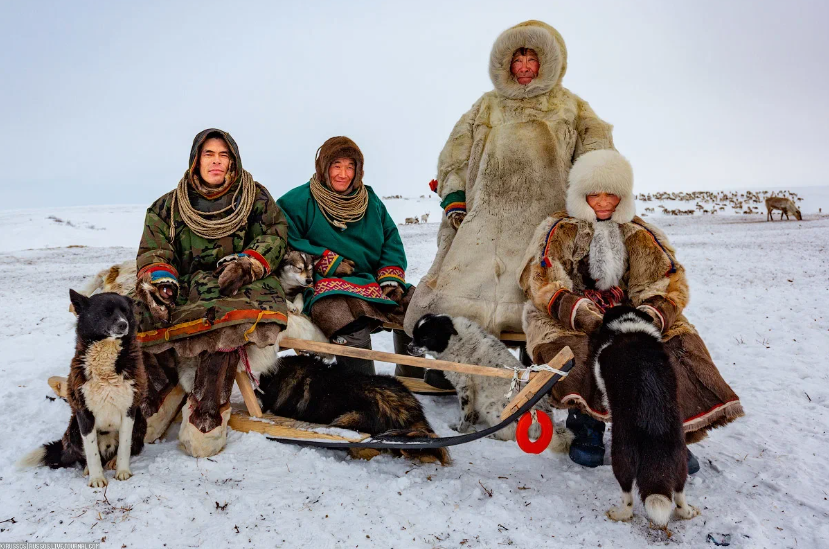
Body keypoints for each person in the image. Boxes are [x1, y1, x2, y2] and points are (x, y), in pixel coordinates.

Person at [519, 149, 744, 469]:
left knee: (677, 345)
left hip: (628, 310)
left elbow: (666, 279)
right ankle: (586, 427)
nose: (602, 202)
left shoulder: (637, 232)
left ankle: (665, 432)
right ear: (581, 195)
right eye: (594, 194)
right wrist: (582, 312)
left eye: (611, 194)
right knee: (582, 350)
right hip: (570, 314)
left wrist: (649, 314)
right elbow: (542, 277)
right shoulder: (559, 228)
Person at [404, 20, 616, 353]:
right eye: (518, 59)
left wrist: (594, 196)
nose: (525, 67)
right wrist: (455, 195)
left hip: (546, 220)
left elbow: (597, 154)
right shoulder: (487, 105)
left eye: (532, 59)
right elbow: (455, 153)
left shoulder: (572, 107)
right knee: (457, 294)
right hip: (487, 219)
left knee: (542, 296)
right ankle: (452, 360)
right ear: (506, 64)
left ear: (547, 62)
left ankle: (539, 358)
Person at [134, 128, 289, 457]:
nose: (216, 162)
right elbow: (155, 249)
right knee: (145, 312)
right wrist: (162, 280)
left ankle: (208, 413)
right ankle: (155, 399)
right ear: (196, 159)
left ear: (232, 161)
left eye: (223, 155)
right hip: (188, 282)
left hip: (238, 281)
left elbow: (275, 233)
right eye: (209, 155)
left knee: (227, 319)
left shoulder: (255, 196)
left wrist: (249, 264)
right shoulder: (168, 206)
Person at [277, 136, 414, 375]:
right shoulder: (299, 201)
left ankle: (413, 372)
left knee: (417, 304)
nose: (343, 173)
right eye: (336, 165)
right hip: (326, 284)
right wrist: (326, 260)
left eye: (350, 166)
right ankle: (364, 385)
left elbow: (391, 238)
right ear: (323, 167)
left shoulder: (370, 201)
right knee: (343, 316)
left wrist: (390, 278)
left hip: (371, 279)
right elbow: (285, 236)